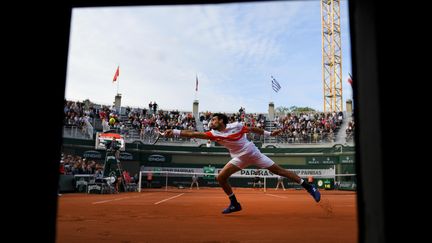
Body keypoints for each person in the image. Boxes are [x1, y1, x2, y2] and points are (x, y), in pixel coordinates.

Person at [164, 113, 321, 214]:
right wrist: (176, 132)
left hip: (252, 152)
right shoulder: (213, 134)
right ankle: (235, 204)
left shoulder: (237, 126)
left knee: (280, 171)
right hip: (238, 157)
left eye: (213, 119)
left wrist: (270, 133)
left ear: (221, 121)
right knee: (221, 177)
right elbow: (193, 133)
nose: (211, 122)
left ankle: (309, 187)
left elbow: (252, 129)